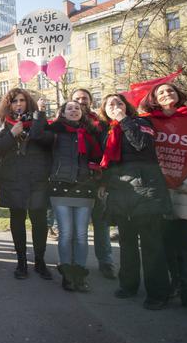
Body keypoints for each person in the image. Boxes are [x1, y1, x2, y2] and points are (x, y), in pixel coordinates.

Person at [139, 83, 187, 319]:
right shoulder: (147, 122)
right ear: (154, 99)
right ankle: (173, 286)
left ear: (178, 95)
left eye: (171, 91)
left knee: (186, 244)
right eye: (161, 92)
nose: (167, 94)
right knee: (166, 242)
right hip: (159, 191)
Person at [98, 93, 171, 310]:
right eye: (110, 104)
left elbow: (141, 145)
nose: (115, 106)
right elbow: (109, 163)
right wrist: (104, 185)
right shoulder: (109, 131)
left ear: (126, 107)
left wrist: (124, 120)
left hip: (146, 191)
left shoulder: (140, 122)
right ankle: (128, 285)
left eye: (119, 103)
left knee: (151, 245)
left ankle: (158, 293)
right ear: (104, 110)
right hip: (121, 193)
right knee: (127, 244)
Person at [33, 100, 102, 292]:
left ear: (82, 112)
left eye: (77, 108)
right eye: (69, 108)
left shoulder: (89, 133)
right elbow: (36, 135)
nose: (73, 111)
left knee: (81, 235)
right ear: (62, 113)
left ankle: (79, 273)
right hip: (60, 186)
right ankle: (67, 274)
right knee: (66, 233)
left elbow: (98, 157)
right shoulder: (56, 131)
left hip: (85, 186)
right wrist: (40, 112)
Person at [0, 88, 53, 280]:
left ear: (28, 102)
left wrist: (39, 119)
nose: (18, 104)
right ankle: (21, 262)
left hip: (36, 178)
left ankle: (40, 261)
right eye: (14, 101)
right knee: (17, 220)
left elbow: (48, 142)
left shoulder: (39, 120)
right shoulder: (2, 125)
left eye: (22, 100)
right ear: (8, 105)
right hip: (13, 179)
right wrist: (11, 135)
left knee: (39, 221)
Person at [71, 88, 116, 280]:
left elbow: (108, 151)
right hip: (74, 182)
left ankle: (106, 261)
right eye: (77, 99)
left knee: (101, 224)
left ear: (90, 101)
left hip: (97, 181)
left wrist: (104, 181)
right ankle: (75, 263)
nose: (81, 101)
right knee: (75, 226)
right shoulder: (66, 122)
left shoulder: (101, 124)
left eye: (84, 98)